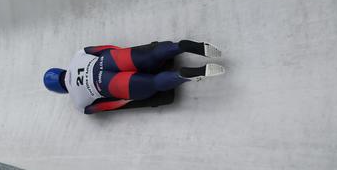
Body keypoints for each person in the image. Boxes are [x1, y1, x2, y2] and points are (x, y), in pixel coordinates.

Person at [43, 40, 224, 114]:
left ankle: (182, 75)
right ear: (61, 71)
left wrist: (127, 100)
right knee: (151, 56)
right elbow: (105, 48)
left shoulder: (79, 104)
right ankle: (179, 46)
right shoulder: (78, 55)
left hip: (108, 84)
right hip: (109, 61)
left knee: (153, 84)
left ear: (59, 91)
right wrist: (125, 54)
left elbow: (108, 105)